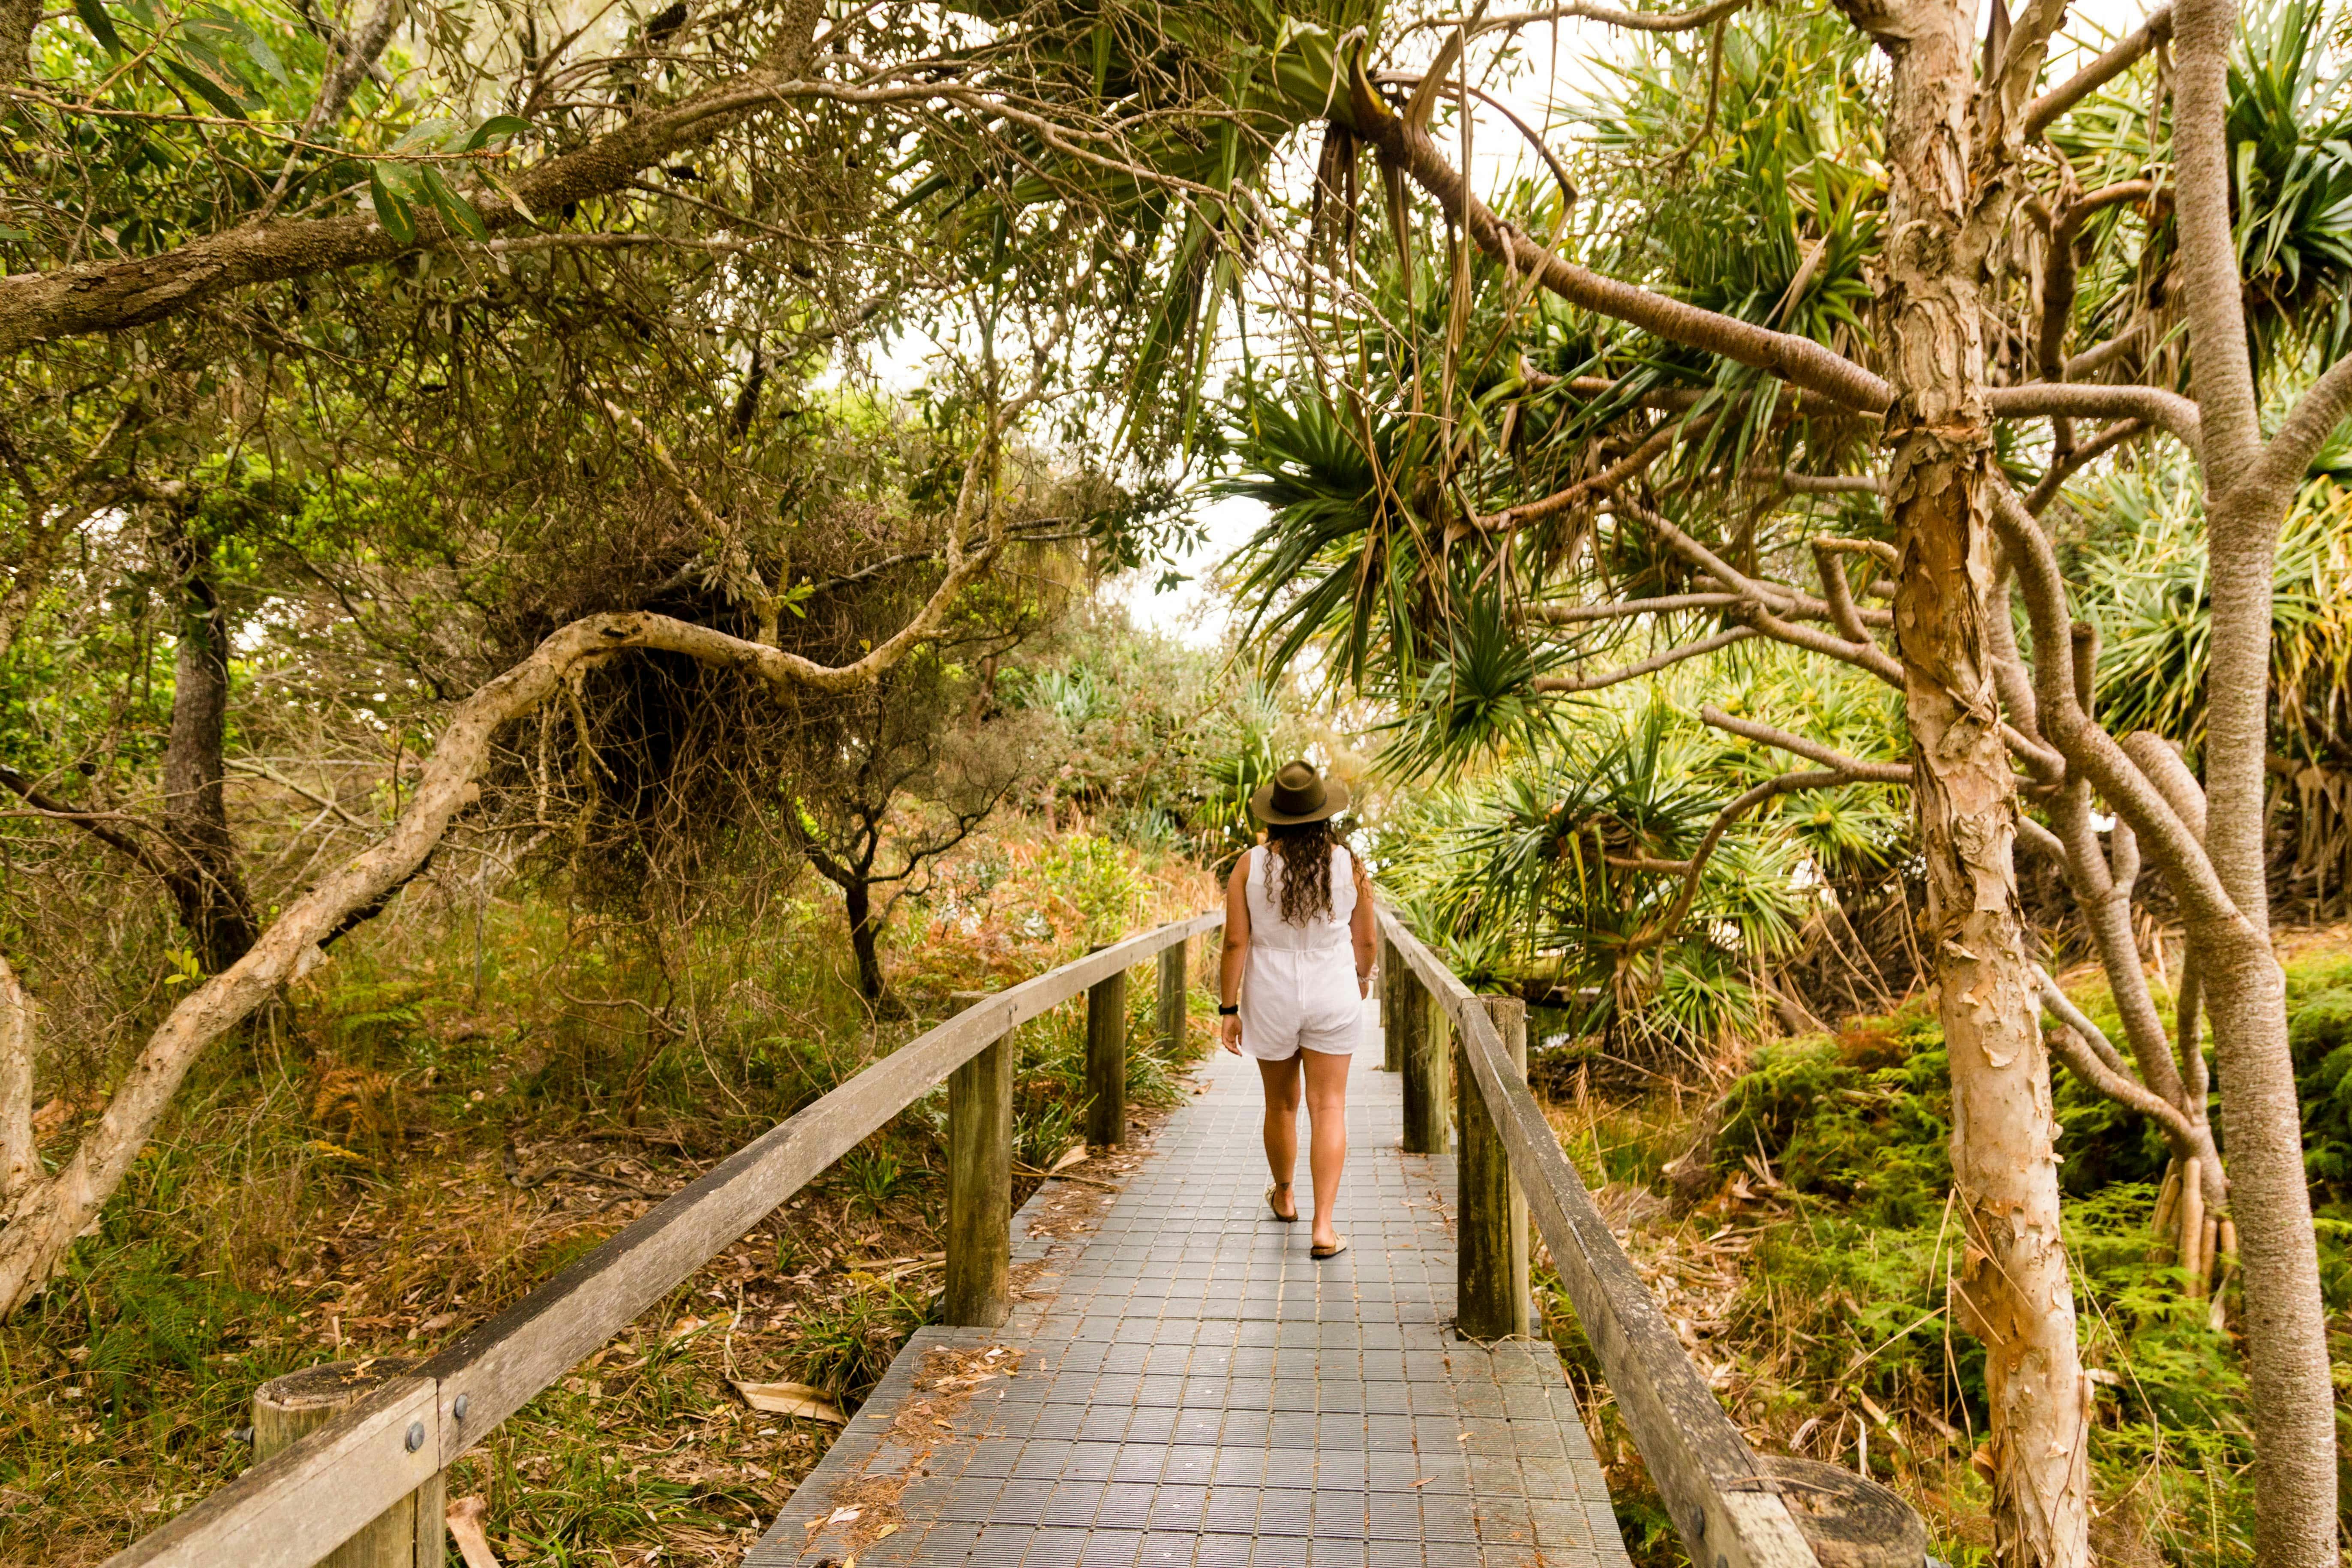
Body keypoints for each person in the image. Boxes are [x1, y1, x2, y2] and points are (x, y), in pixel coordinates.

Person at [1217, 759, 1377, 1259]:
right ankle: (1324, 1228)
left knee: (1281, 1104)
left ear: (1275, 815)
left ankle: (1285, 1196)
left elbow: (1234, 943)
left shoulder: (1250, 865)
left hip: (1271, 993)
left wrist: (1228, 1008)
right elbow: (1366, 938)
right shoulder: (1348, 864)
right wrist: (1362, 978)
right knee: (1328, 1106)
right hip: (1333, 988)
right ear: (1323, 813)